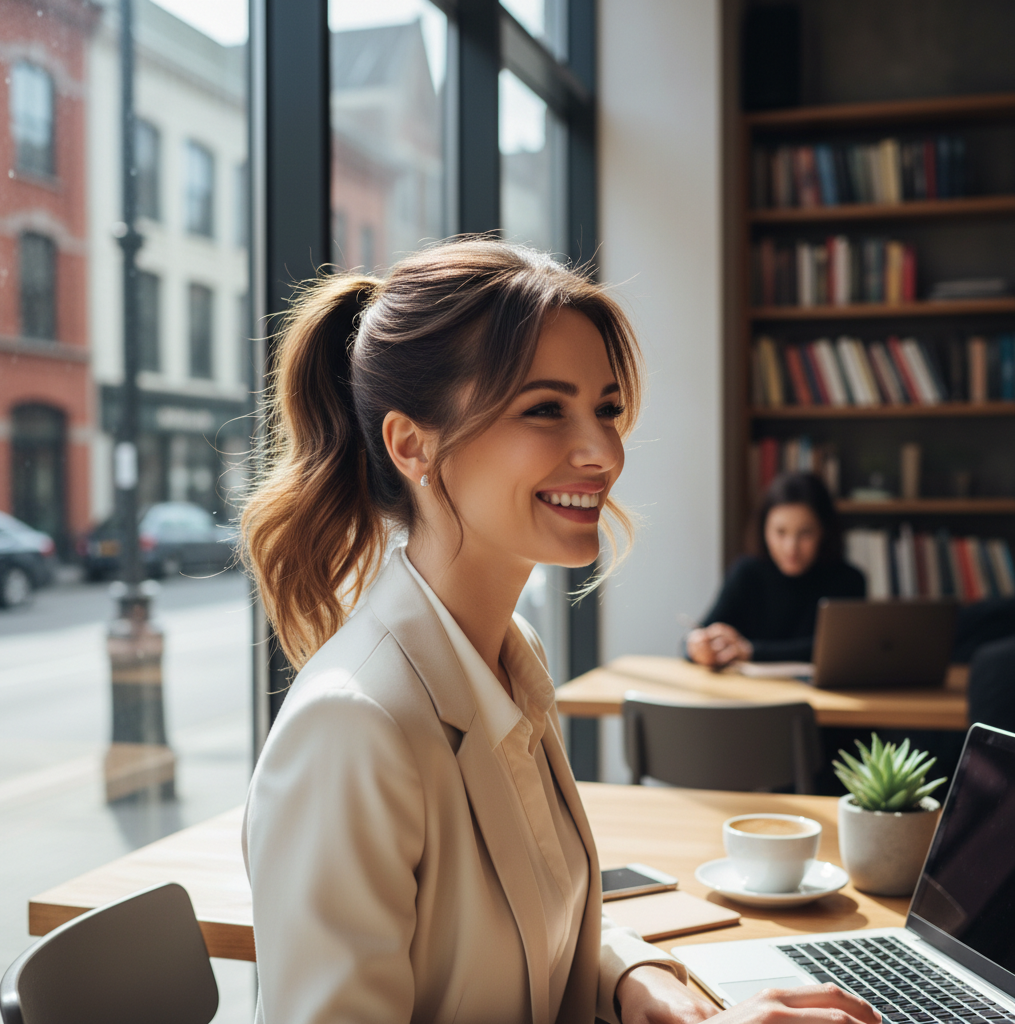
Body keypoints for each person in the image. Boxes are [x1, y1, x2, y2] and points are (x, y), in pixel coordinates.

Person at [241, 239, 881, 1024]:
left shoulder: (511, 656)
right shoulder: (354, 727)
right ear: (413, 444)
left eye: (606, 409)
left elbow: (538, 893)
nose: (603, 452)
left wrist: (632, 975)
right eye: (546, 409)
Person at [687, 472, 865, 667]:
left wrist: (750, 651)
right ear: (764, 530)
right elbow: (697, 635)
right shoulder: (747, 573)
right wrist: (698, 646)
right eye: (780, 532)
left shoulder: (848, 580)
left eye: (805, 533)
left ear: (824, 531)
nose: (791, 548)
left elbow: (843, 649)